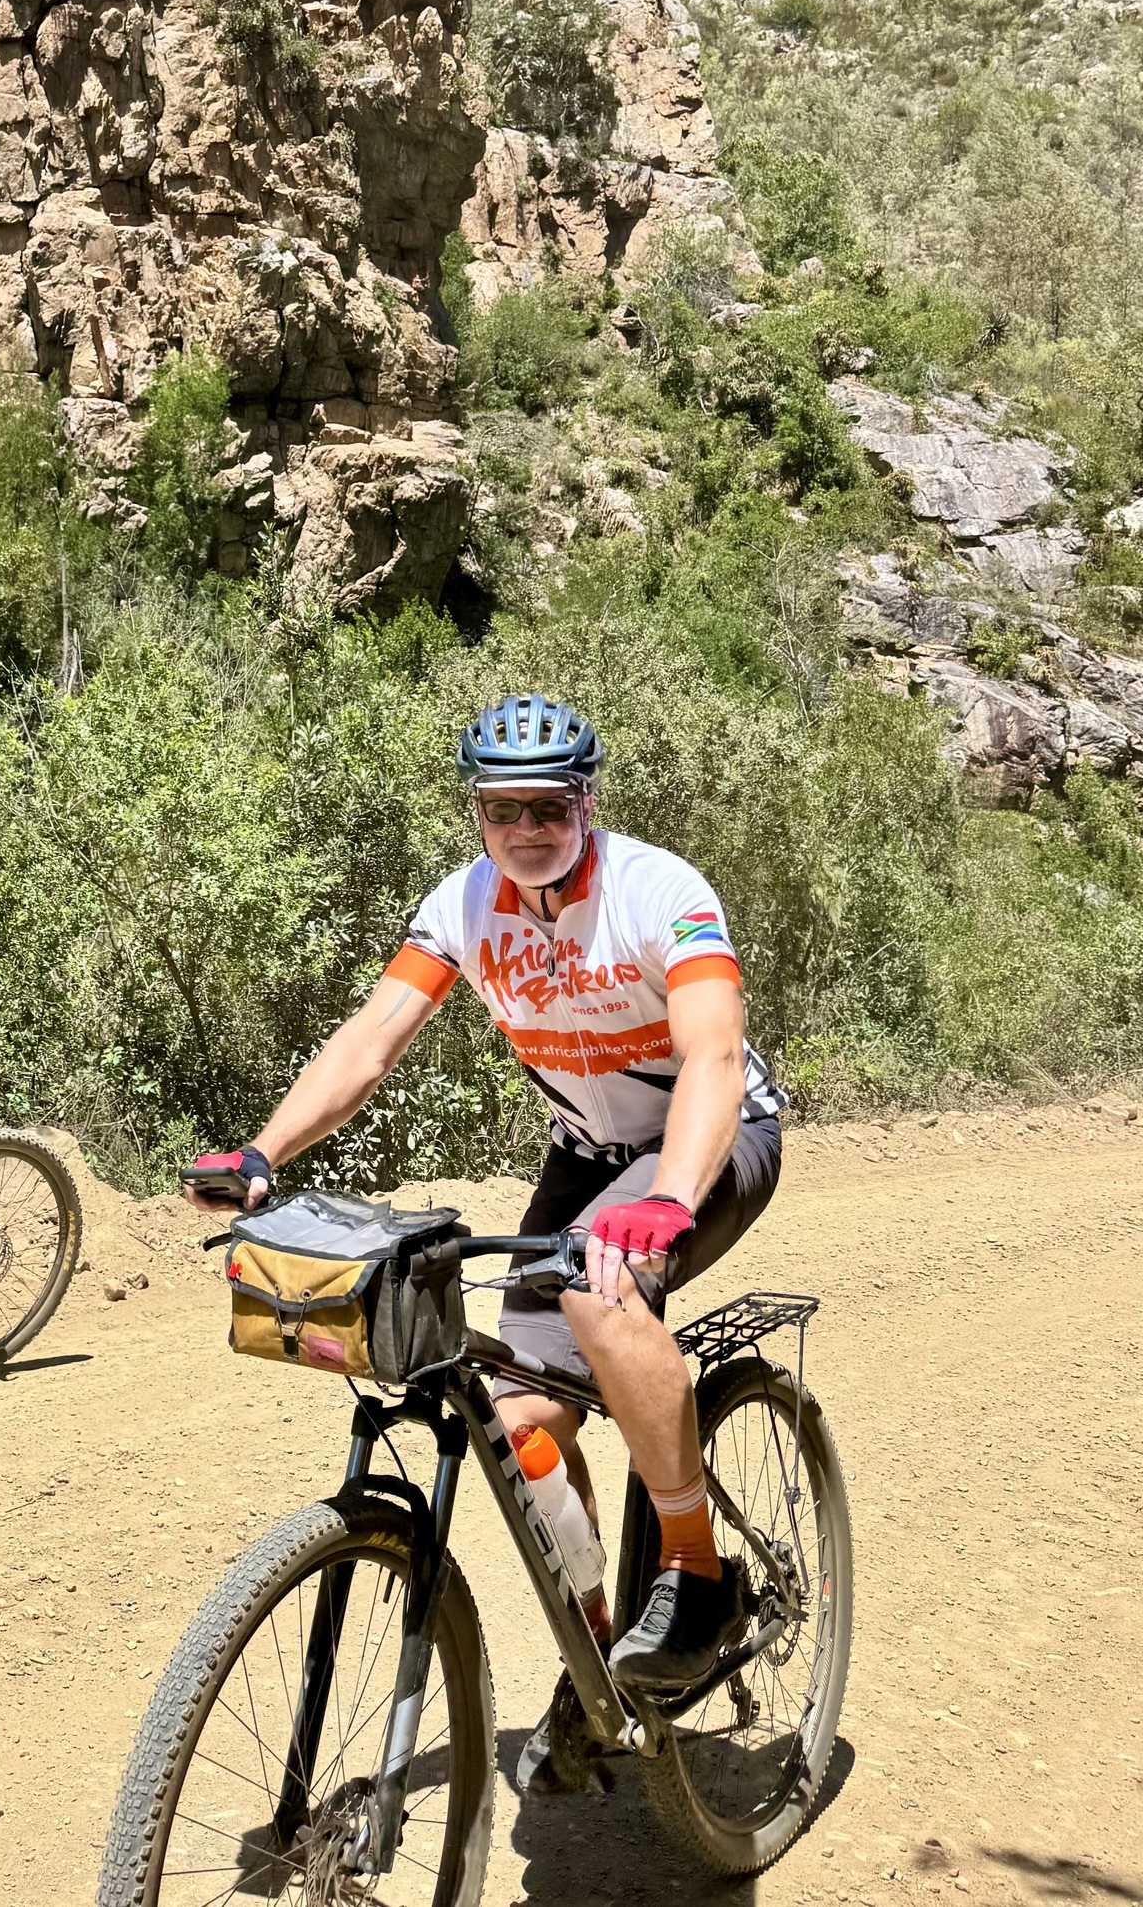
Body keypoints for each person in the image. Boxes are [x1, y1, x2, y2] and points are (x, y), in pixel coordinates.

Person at [187, 691, 785, 1792]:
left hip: (710, 1138)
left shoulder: (661, 890)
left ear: (586, 802)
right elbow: (372, 1038)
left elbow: (709, 1053)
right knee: (522, 1422)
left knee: (602, 1285)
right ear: (475, 812)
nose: (524, 829)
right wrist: (263, 1151)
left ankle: (694, 1573)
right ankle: (605, 1657)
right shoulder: (463, 904)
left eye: (547, 807)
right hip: (588, 1155)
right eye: (500, 809)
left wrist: (669, 1198)